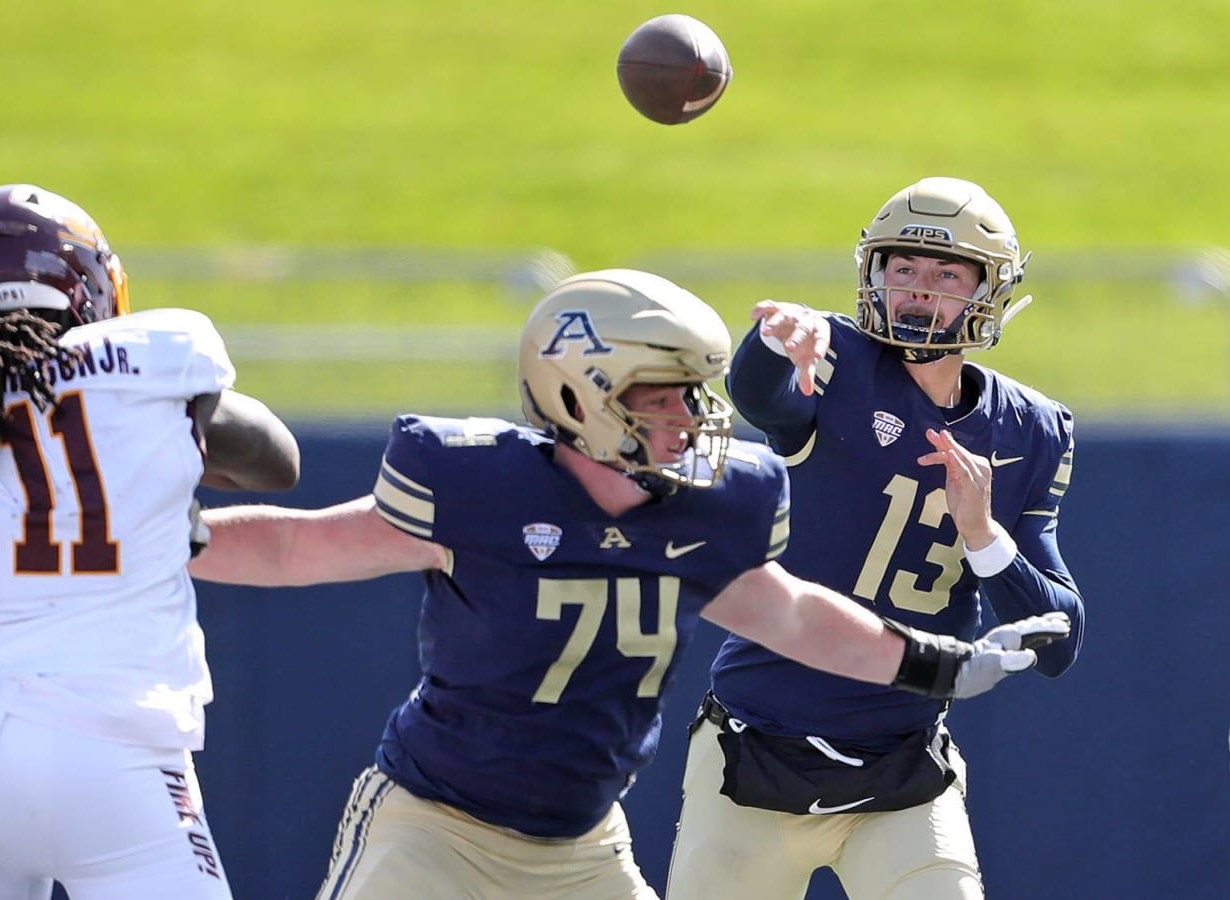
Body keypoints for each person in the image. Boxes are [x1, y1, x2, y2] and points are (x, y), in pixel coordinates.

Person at [186, 267, 1069, 900]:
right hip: (433, 828)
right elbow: (296, 550)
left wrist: (946, 666)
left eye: (693, 394)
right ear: (582, 392)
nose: (690, 417)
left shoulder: (707, 507)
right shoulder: (478, 484)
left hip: (582, 846)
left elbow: (795, 615)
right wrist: (151, 544)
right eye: (664, 396)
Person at [0, 184, 301, 900]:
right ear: (84, 281)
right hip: (114, 747)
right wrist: (163, 448)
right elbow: (277, 461)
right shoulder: (152, 365)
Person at [665, 177, 1085, 900]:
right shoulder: (838, 360)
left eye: (946, 274)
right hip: (759, 753)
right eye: (903, 268)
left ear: (991, 288)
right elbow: (760, 395)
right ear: (874, 274)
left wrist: (983, 536)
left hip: (904, 771)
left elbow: (1058, 641)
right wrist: (773, 343)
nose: (919, 290)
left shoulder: (1031, 430)